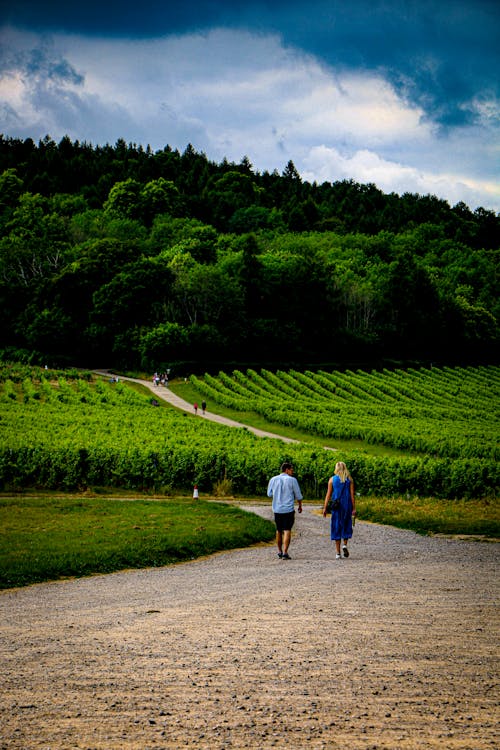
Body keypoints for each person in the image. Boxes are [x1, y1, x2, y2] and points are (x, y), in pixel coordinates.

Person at [267, 462, 303, 560]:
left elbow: (269, 494)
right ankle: (285, 552)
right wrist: (300, 506)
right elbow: (298, 495)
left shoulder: (273, 479)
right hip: (288, 509)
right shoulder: (292, 480)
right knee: (287, 530)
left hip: (277, 509)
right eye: (291, 470)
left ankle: (279, 551)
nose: (292, 471)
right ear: (286, 470)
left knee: (279, 530)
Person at [322, 461, 356, 559]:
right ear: (345, 468)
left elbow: (328, 495)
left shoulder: (332, 480)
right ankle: (344, 545)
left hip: (337, 506)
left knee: (336, 525)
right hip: (347, 505)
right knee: (346, 524)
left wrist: (325, 508)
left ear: (336, 468)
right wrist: (354, 508)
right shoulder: (349, 480)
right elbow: (352, 495)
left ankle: (337, 553)